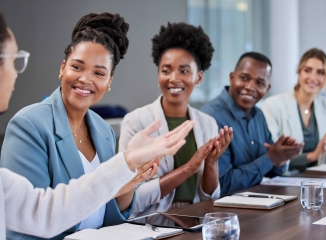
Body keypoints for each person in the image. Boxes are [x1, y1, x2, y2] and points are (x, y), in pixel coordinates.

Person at [0, 11, 195, 240]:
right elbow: (28, 223)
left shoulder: (104, 132)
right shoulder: (28, 126)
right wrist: (126, 162)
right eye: (77, 67)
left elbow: (108, 213)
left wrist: (131, 182)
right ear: (62, 68)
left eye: (99, 73)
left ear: (109, 81)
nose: (85, 79)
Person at [118, 22, 233, 217]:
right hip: (151, 222)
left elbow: (209, 199)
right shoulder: (136, 122)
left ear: (199, 77)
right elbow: (129, 200)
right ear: (158, 75)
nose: (173, 78)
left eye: (184, 71)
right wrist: (188, 168)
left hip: (194, 219)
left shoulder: (207, 123)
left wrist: (211, 163)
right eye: (166, 70)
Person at [200, 52, 304, 196]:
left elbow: (272, 169)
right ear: (232, 77)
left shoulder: (258, 115)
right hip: (223, 211)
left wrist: (280, 158)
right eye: (244, 78)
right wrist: (270, 158)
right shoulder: (210, 118)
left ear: (267, 89)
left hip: (256, 203)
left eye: (260, 83)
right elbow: (222, 185)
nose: (250, 87)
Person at [262, 48, 326, 172]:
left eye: (320, 72)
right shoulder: (273, 104)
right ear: (299, 72)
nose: (313, 77)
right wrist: (313, 155)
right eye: (307, 70)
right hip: (283, 180)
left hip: (318, 180)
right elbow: (272, 154)